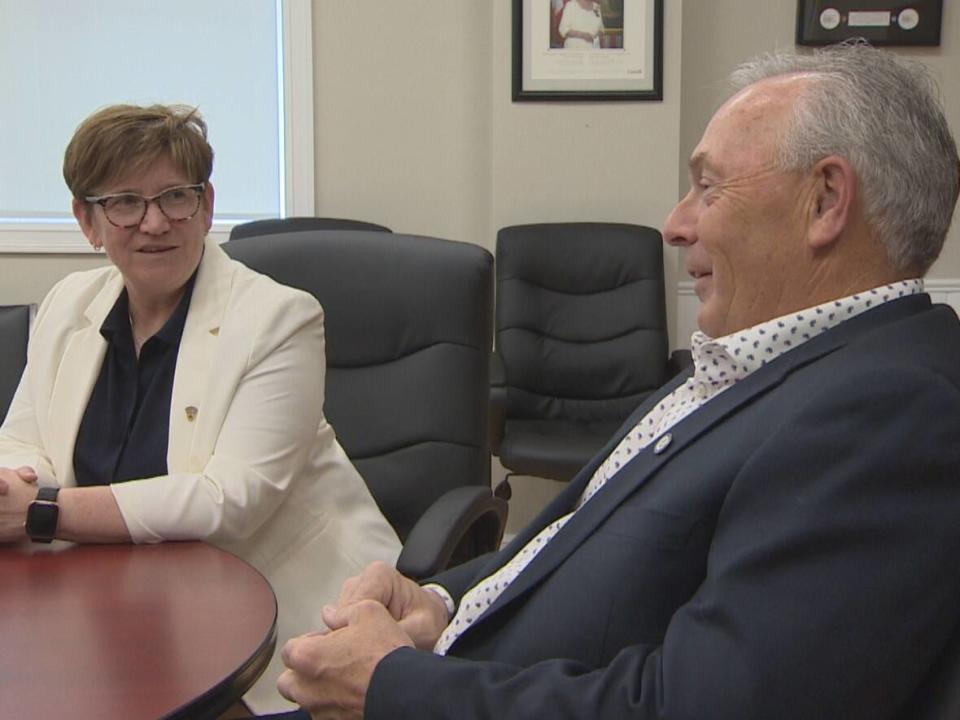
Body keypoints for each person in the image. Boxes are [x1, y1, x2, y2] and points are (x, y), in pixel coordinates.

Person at [272, 42, 960, 720]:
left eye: (709, 187)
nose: (675, 223)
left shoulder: (894, 414)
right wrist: (438, 603)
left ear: (826, 201)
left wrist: (393, 687)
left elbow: (701, 707)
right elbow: (573, 547)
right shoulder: (759, 364)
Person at [0, 104, 401, 714]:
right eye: (126, 202)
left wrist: (46, 511)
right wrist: (19, 490)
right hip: (112, 607)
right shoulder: (67, 304)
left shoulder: (279, 319)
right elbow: (22, 441)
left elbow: (229, 499)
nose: (155, 223)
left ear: (206, 205)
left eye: (175, 198)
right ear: (88, 220)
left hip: (283, 622)